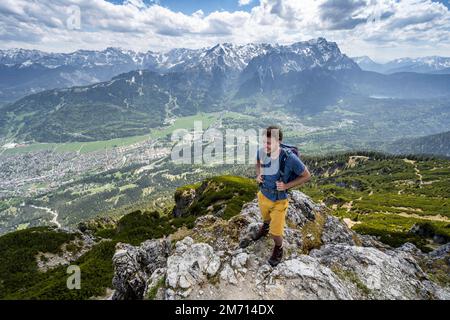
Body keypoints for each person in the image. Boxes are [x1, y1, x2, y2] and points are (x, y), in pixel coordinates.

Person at [254, 125, 311, 266]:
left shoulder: (289, 158)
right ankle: (265, 226)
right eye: (263, 142)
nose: (265, 146)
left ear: (278, 142)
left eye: (269, 143)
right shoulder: (261, 151)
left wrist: (286, 186)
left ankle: (279, 248)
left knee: (276, 233)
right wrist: (258, 174)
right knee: (265, 218)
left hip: (279, 201)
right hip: (263, 195)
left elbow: (306, 175)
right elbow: (257, 163)